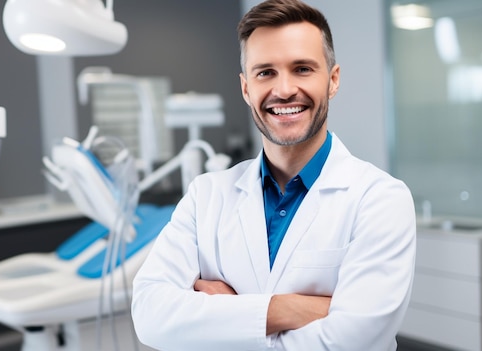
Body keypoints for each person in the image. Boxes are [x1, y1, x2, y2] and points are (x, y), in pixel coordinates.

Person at [131, 0, 416, 350]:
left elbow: (351, 342)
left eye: (302, 69)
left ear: (333, 80)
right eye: (265, 72)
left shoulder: (380, 199)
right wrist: (288, 308)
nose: (283, 90)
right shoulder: (206, 194)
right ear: (246, 88)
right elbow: (149, 315)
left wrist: (223, 317)